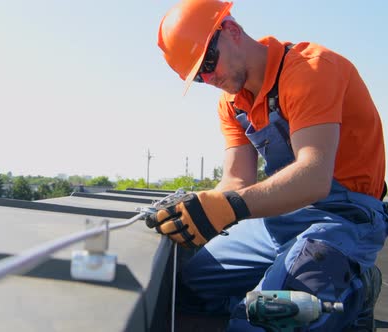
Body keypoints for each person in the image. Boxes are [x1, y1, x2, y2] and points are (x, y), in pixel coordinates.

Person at [149, 0, 387, 330]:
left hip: (343, 216)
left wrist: (230, 207)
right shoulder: (232, 103)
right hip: (280, 213)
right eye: (199, 77)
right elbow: (235, 181)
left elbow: (314, 177)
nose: (209, 77)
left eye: (208, 61)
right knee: (190, 289)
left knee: (272, 319)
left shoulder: (310, 70)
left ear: (230, 30)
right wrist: (199, 208)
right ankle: (266, 301)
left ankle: (353, 293)